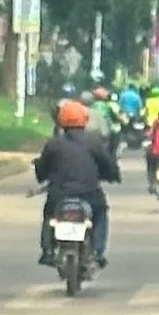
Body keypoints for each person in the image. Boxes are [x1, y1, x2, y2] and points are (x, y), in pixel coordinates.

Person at [35, 97, 119, 266]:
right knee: (100, 212)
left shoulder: (54, 143)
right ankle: (97, 251)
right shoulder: (93, 142)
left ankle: (48, 250)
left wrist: (42, 176)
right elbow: (107, 163)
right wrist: (113, 175)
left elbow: (42, 168)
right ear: (85, 119)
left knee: (49, 214)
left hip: (59, 194)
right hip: (89, 193)